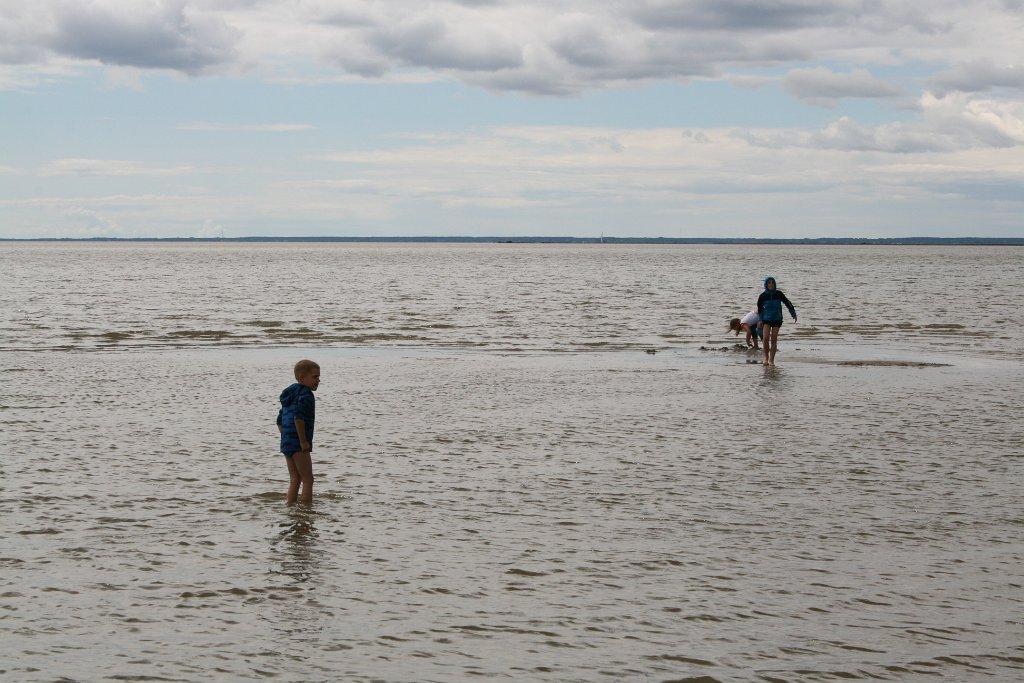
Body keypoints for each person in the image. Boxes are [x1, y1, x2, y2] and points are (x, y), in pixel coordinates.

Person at [276, 359, 320, 505]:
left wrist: (285, 436)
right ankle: (306, 511)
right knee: (308, 479)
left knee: (295, 479)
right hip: (298, 442)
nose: (318, 380)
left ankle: (290, 505)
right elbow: (298, 418)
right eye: (314, 377)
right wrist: (302, 441)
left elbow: (279, 420)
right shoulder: (306, 395)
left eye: (319, 377)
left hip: (286, 442)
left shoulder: (290, 395)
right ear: (302, 377)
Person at [756, 276, 797, 367]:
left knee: (774, 339)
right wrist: (760, 319)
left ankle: (771, 360)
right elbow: (760, 309)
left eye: (772, 283)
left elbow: (787, 302)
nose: (771, 284)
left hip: (777, 319)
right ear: (766, 284)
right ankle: (766, 357)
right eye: (769, 283)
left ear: (775, 284)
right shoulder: (762, 296)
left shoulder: (779, 294)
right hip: (766, 319)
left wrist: (792, 312)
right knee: (766, 338)